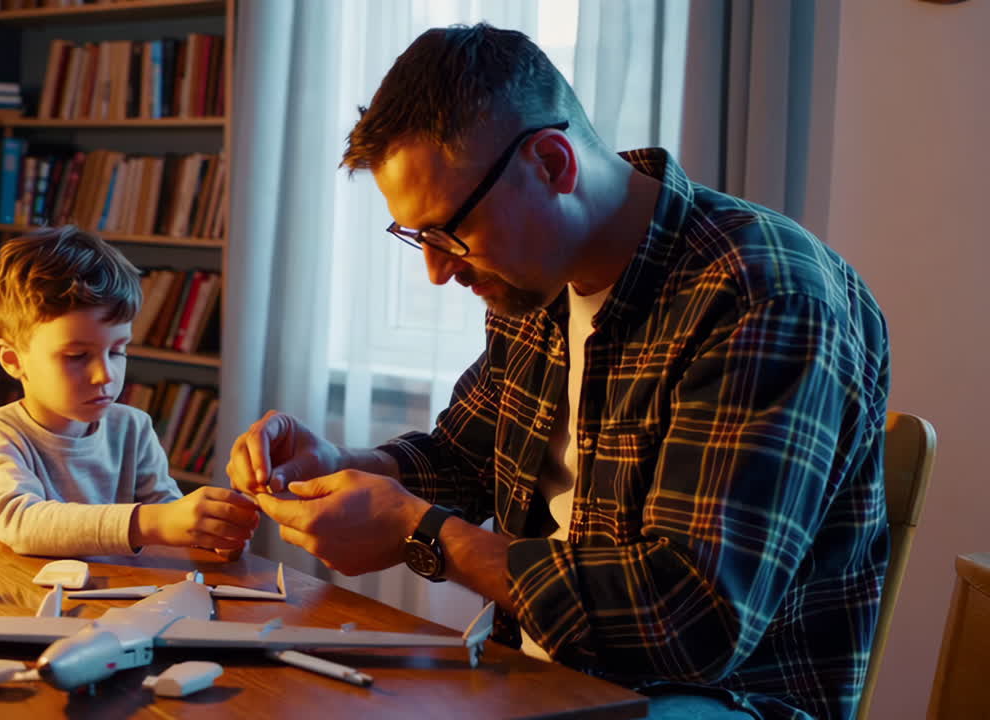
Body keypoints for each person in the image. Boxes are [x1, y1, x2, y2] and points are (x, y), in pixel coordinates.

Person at [227, 23, 888, 720]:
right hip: (533, 674)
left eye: (451, 233)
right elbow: (463, 457)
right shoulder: (530, 282)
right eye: (418, 238)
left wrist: (425, 534)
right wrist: (346, 463)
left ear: (551, 162)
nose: (436, 270)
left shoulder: (761, 292)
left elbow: (692, 620)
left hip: (710, 703)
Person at [0, 226, 258, 558]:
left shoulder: (133, 429)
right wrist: (151, 523)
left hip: (116, 600)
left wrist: (209, 532)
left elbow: (166, 511)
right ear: (13, 359)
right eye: (77, 356)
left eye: (117, 351)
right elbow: (20, 521)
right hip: (18, 602)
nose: (105, 374)